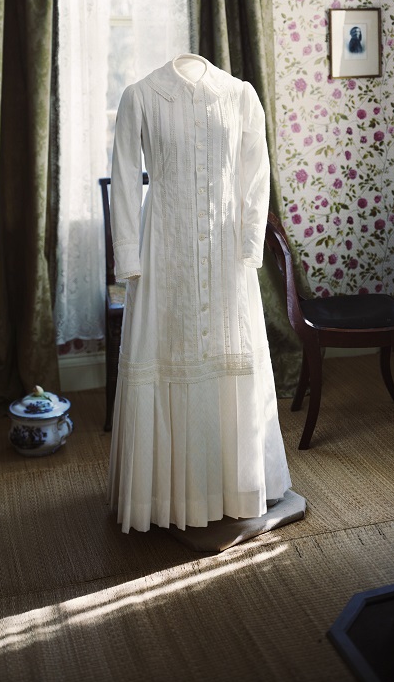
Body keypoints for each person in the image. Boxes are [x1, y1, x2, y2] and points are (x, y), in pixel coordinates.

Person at [107, 53, 291, 533]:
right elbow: (125, 178)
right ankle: (168, 496)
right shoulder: (140, 96)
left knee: (229, 355)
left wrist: (251, 243)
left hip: (227, 252)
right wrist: (128, 257)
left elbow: (255, 175)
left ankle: (235, 486)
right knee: (168, 355)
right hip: (164, 250)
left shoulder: (240, 95)